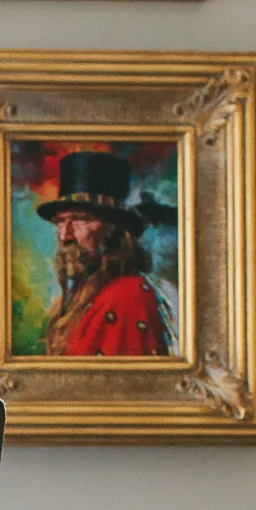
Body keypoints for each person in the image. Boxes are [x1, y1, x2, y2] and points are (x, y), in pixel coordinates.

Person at [36, 149, 176, 357]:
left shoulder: (126, 298)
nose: (66, 235)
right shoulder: (86, 295)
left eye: (80, 219)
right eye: (60, 222)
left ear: (112, 229)